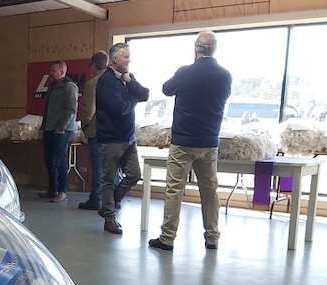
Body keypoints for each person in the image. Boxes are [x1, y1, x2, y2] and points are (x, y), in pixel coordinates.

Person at [148, 31, 232, 251]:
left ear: (196, 50)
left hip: (183, 141)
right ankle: (212, 237)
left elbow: (166, 89)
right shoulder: (225, 75)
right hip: (209, 141)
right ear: (215, 49)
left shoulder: (185, 73)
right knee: (209, 191)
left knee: (175, 189)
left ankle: (167, 238)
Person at [95, 43, 150, 233]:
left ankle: (109, 204)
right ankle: (109, 219)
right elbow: (120, 109)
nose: (129, 61)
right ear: (115, 59)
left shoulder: (127, 78)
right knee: (108, 179)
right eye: (126, 57)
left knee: (134, 174)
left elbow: (144, 94)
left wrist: (130, 82)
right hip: (111, 139)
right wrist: (133, 99)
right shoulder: (106, 82)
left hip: (128, 139)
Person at [38, 60, 78, 203]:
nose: (51, 73)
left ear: (62, 72)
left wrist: (61, 127)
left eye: (53, 70)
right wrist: (44, 126)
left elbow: (71, 109)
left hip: (62, 130)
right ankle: (52, 189)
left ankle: (62, 191)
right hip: (49, 129)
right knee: (48, 160)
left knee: (59, 160)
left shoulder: (69, 87)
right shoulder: (52, 87)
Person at [78, 51, 109, 211]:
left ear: (93, 65)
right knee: (110, 166)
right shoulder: (114, 80)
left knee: (97, 166)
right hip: (111, 132)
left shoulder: (92, 83)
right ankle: (111, 199)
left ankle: (95, 198)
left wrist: (84, 125)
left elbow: (89, 109)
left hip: (95, 131)